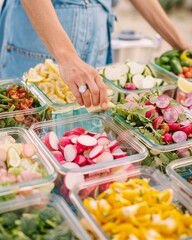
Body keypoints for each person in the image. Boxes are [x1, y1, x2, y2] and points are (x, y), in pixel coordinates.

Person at [0, 0, 191, 110]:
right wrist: (67, 56)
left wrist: (180, 44)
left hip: (97, 29)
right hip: (42, 35)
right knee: (27, 129)